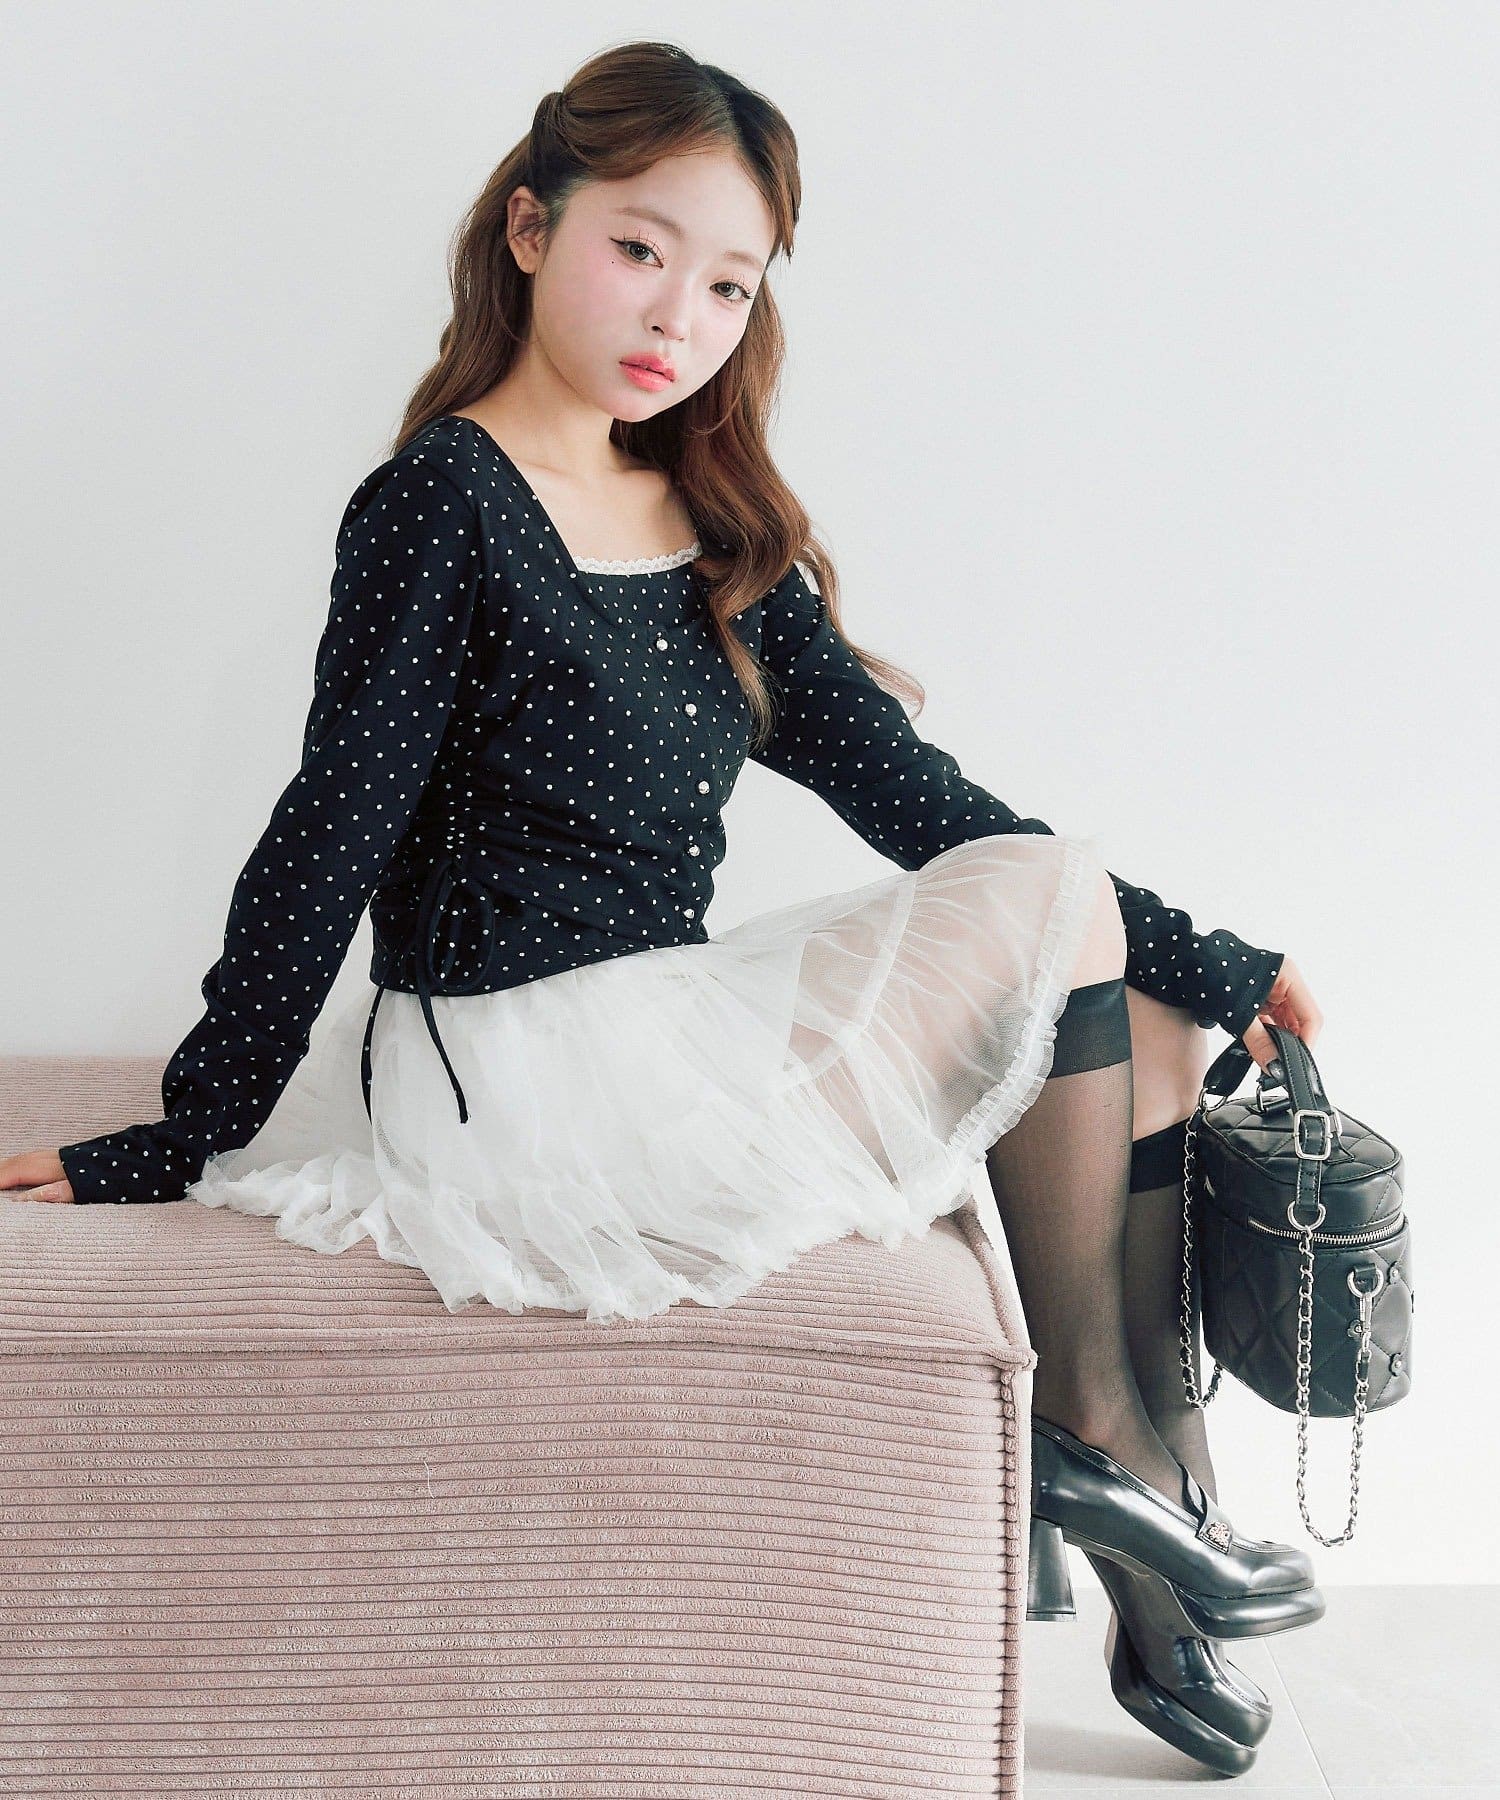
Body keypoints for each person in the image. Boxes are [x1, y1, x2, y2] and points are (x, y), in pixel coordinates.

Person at [2, 40, 1326, 1771]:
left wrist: (1218, 962)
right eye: (640, 248)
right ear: (530, 228)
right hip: (516, 1081)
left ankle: (1152, 1521)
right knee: (1063, 920)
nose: (676, 314)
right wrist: (182, 1131)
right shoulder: (443, 502)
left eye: (727, 283)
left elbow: (922, 803)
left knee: (1131, 994)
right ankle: (1105, 1454)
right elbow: (329, 828)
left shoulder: (710, 523)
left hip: (655, 1035)